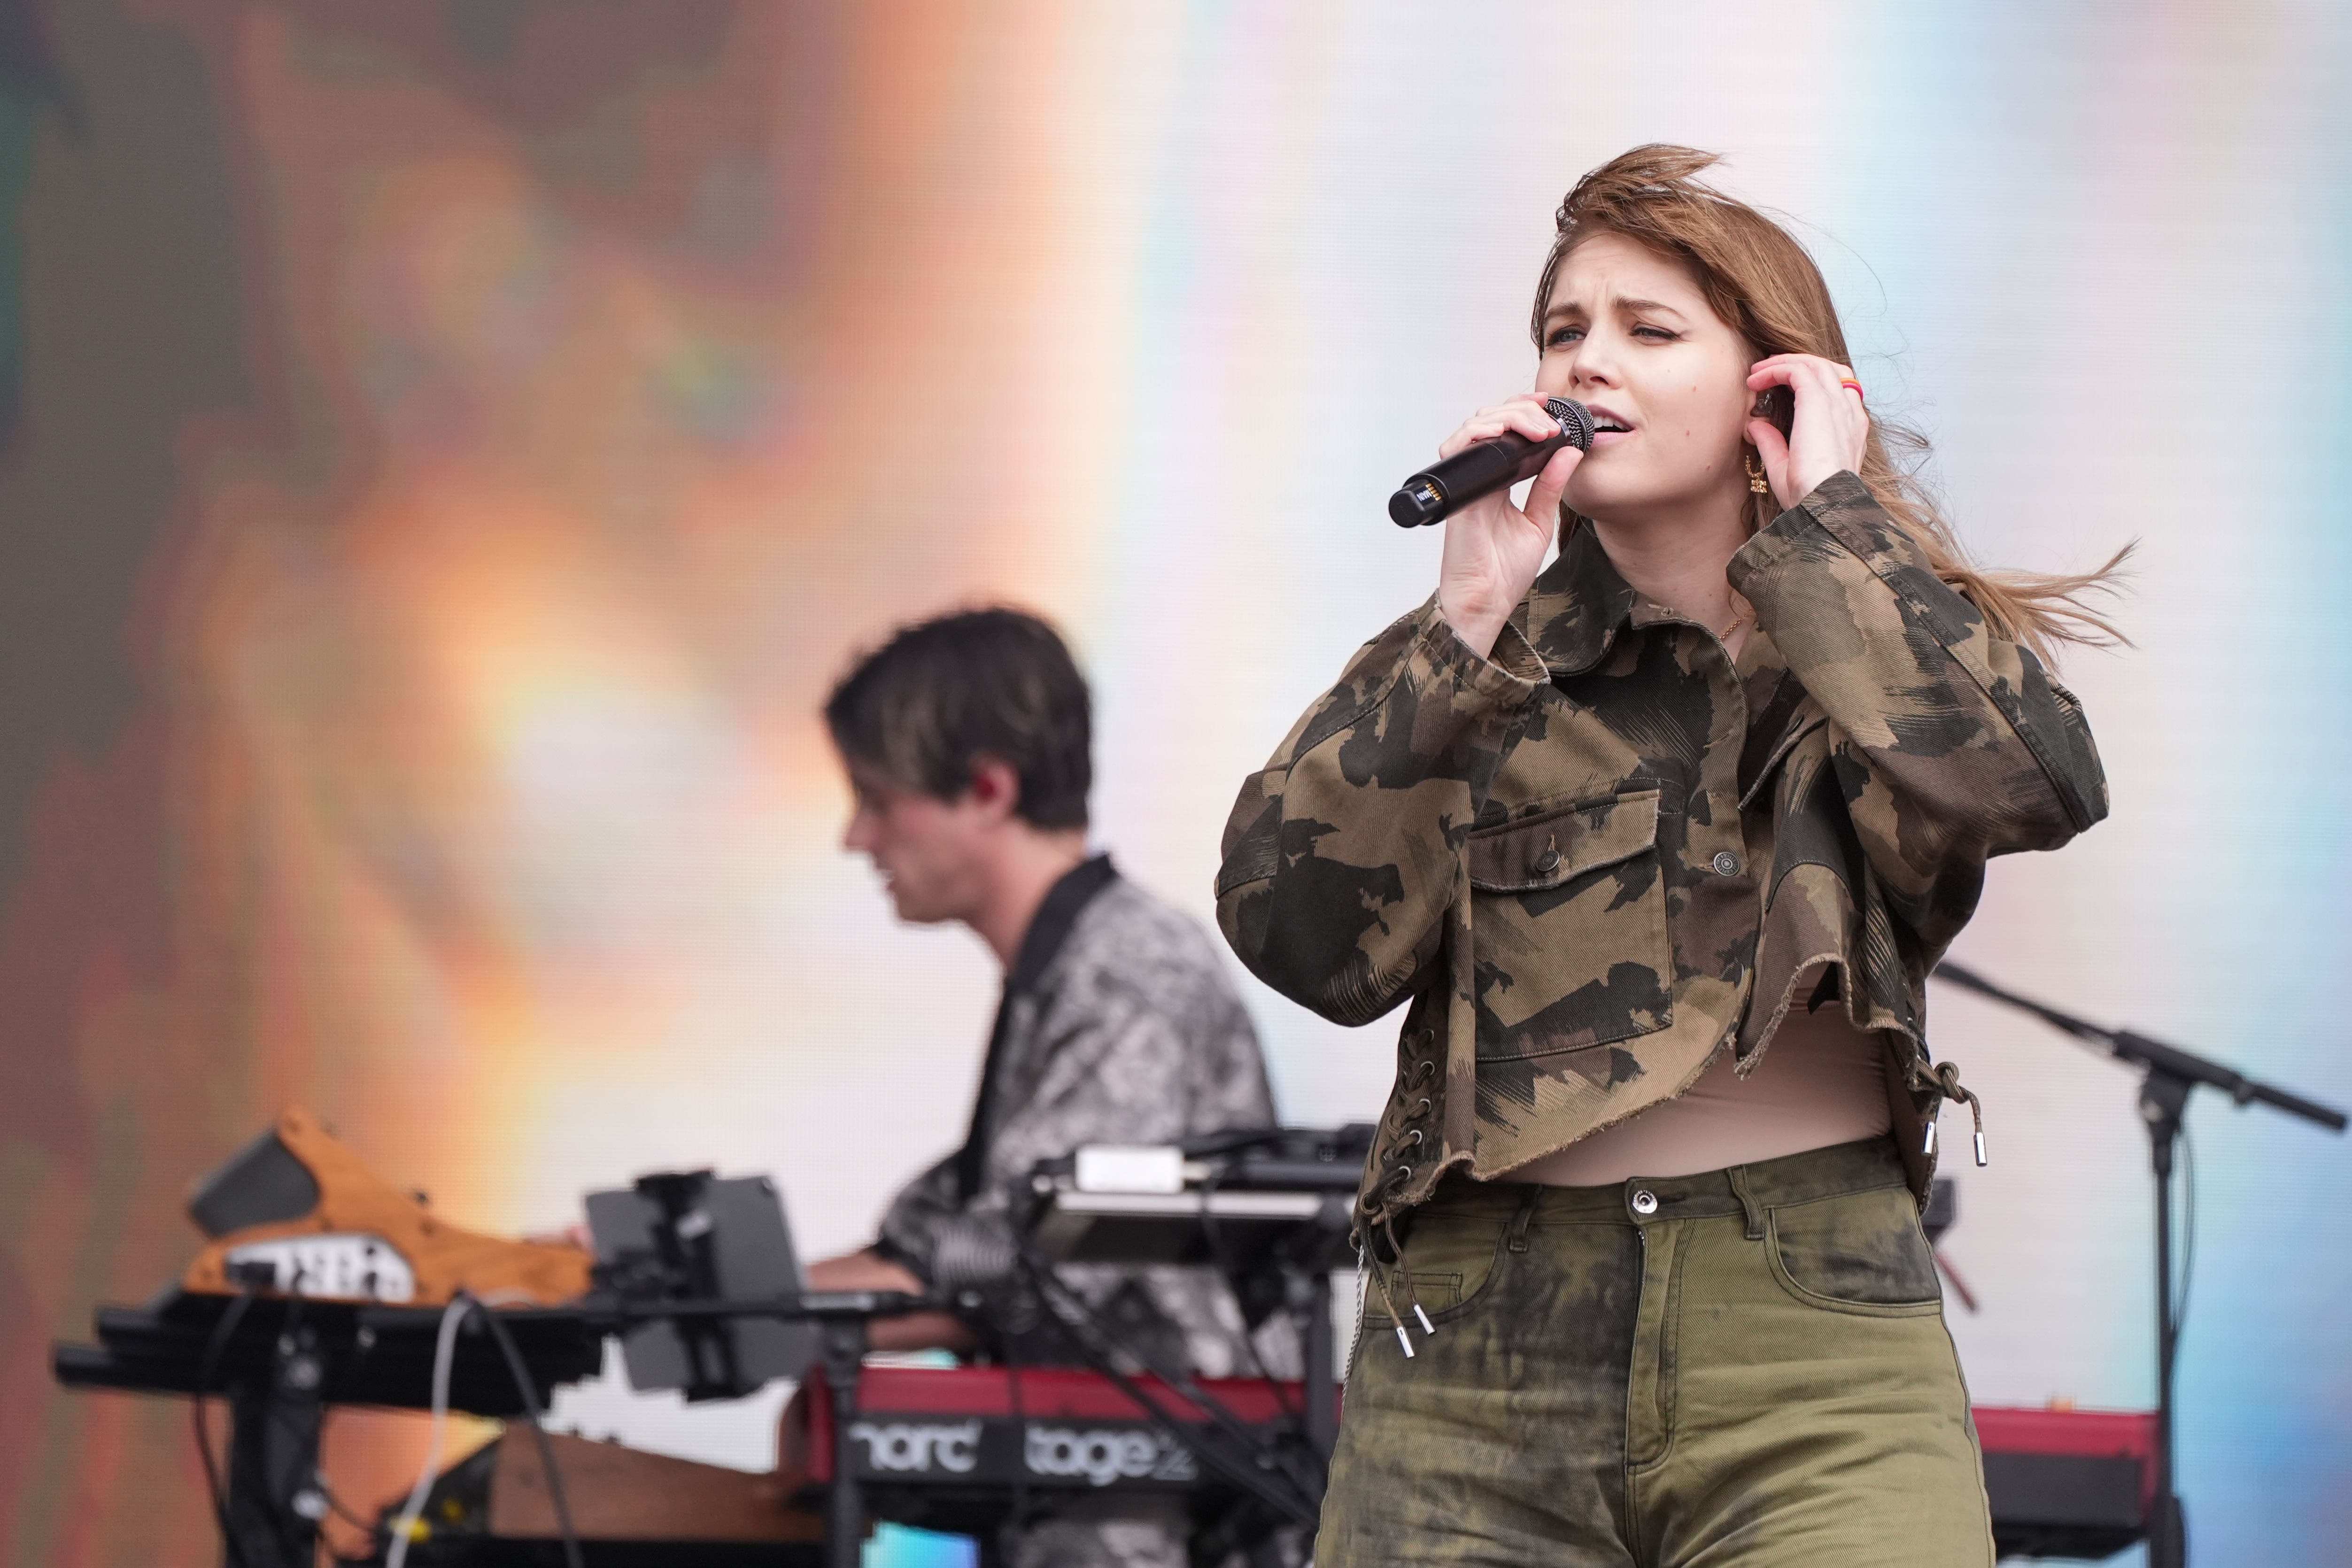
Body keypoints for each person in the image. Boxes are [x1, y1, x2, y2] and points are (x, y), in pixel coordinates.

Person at [1213, 146, 2122, 1567]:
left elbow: (2035, 781)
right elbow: (1300, 938)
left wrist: (1832, 522)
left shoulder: (1869, 622)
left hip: (1807, 1334)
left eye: (1650, 329)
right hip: (1478, 1347)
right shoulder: (1472, 656)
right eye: (1564, 332)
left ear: (1775, 384)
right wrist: (1459, 629)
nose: (1591, 365)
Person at [807, 606, 1286, 1568]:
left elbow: (1028, 1264)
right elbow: (937, 1239)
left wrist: (717, 1308)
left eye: (875, 796)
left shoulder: (1126, 973)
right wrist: (659, 1290)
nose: (854, 836)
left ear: (986, 788)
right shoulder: (1069, 974)